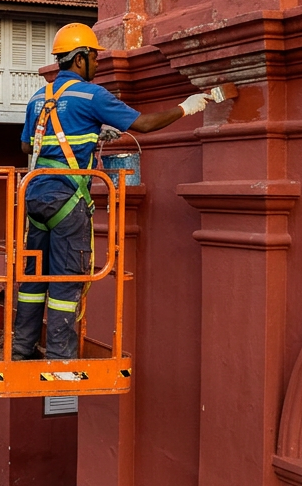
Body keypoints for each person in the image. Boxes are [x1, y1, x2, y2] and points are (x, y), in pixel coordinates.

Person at [14, 23, 212, 362]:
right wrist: (187, 107)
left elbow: (25, 146)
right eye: (94, 57)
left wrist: (89, 135)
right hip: (67, 199)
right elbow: (144, 125)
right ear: (80, 58)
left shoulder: (38, 97)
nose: (97, 64)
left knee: (34, 277)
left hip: (35, 197)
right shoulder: (93, 95)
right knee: (67, 278)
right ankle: (61, 358)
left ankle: (21, 348)